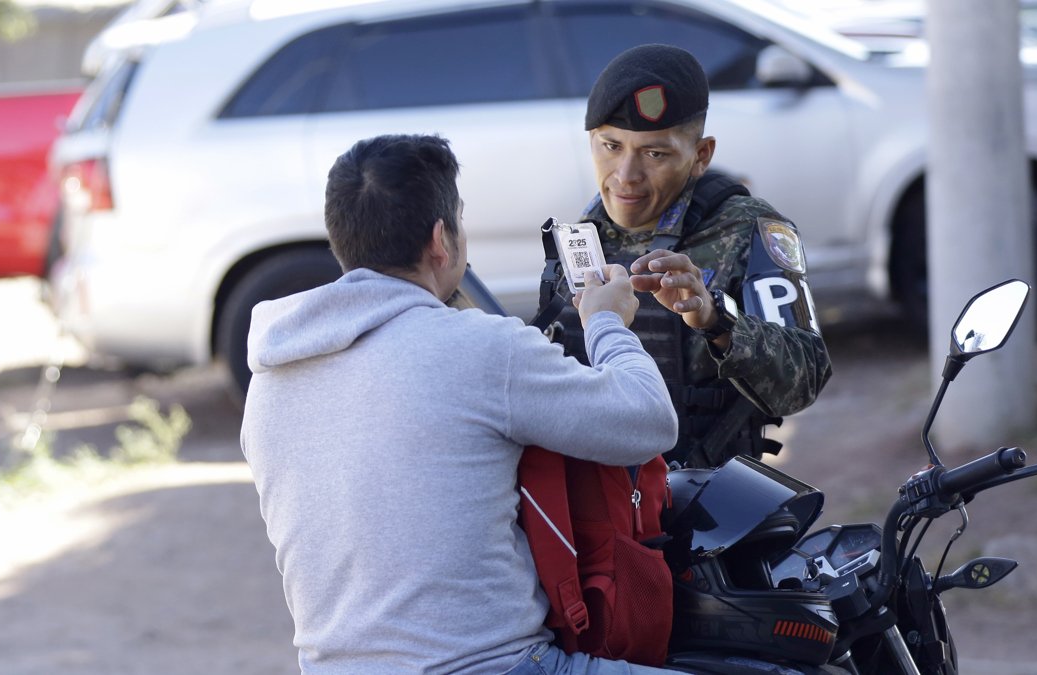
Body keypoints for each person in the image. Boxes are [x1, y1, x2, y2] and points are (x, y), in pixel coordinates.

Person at [240, 134, 684, 674]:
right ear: (439, 240)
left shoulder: (270, 376)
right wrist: (606, 321)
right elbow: (647, 419)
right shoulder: (481, 347)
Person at [541, 44, 832, 469]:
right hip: (600, 505)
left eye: (654, 153)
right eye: (611, 146)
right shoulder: (582, 238)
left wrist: (717, 321)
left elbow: (805, 378)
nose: (625, 175)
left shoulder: (748, 229)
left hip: (704, 504)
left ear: (701, 156)